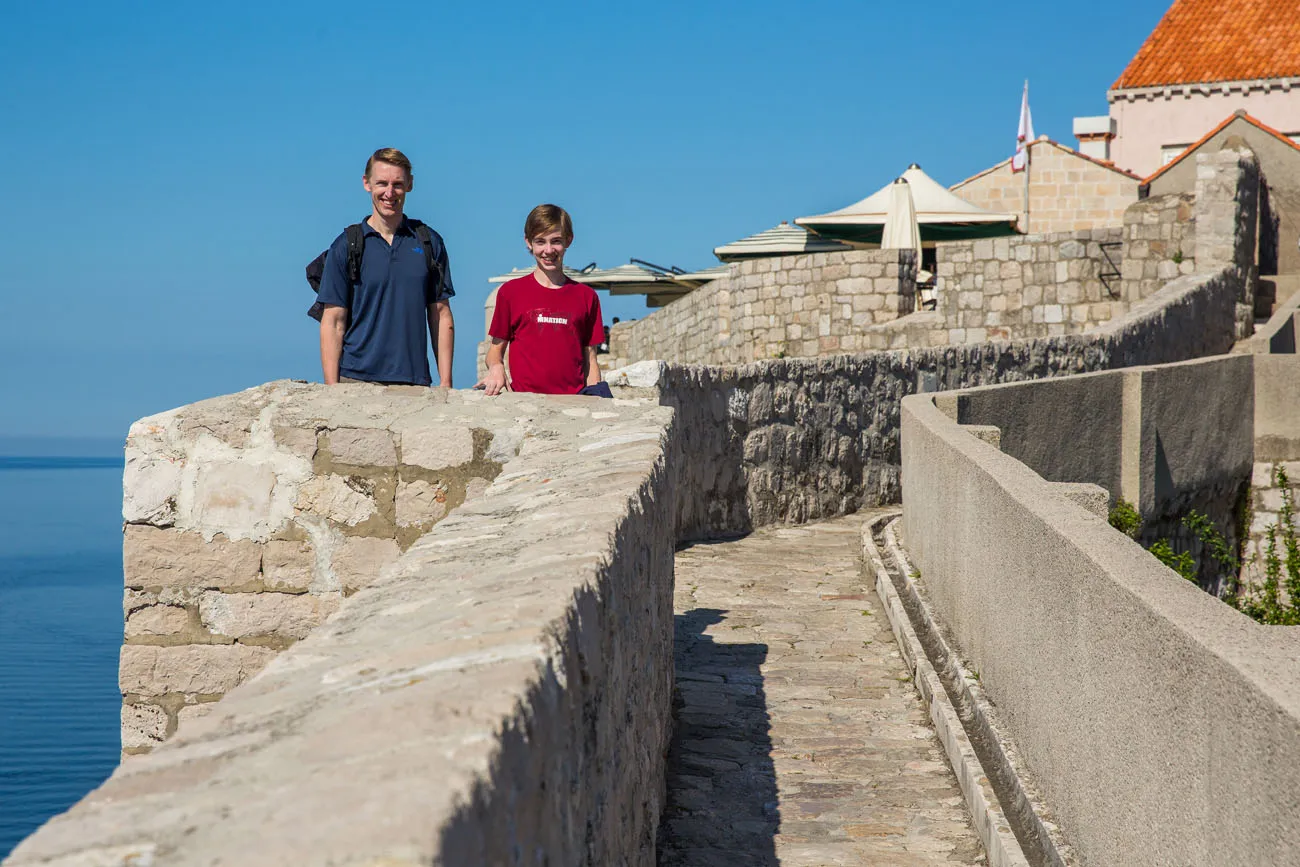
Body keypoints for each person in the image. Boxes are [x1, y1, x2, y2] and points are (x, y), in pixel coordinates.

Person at [318, 148, 455, 387]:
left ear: (410, 184)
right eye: (382, 183)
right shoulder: (346, 245)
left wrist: (446, 383)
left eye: (398, 184)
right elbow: (333, 321)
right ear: (366, 183)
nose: (389, 193)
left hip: (413, 383)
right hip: (355, 380)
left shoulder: (429, 242)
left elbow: (441, 315)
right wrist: (331, 390)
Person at [478, 204, 608, 397]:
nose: (548, 250)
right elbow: (495, 352)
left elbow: (590, 360)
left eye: (556, 241)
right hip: (525, 404)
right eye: (540, 242)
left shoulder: (587, 297)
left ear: (569, 240)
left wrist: (597, 401)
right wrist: (496, 368)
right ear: (528, 242)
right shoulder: (510, 293)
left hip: (574, 405)